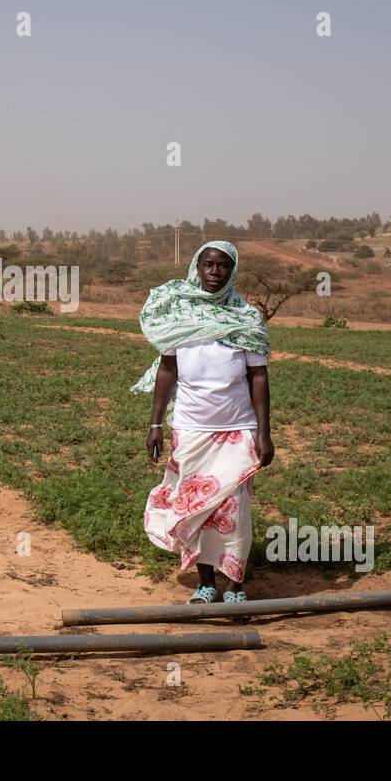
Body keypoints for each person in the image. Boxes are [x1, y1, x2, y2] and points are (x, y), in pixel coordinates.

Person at [130, 240, 274, 604]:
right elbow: (167, 371)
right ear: (197, 267)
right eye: (209, 265)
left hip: (238, 430)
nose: (215, 272)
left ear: (232, 271)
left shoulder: (246, 318)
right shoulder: (180, 315)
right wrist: (155, 424)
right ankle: (205, 583)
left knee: (233, 509)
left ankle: (236, 585)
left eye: (223, 266)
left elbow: (259, 377)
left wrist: (264, 433)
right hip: (191, 428)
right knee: (196, 507)